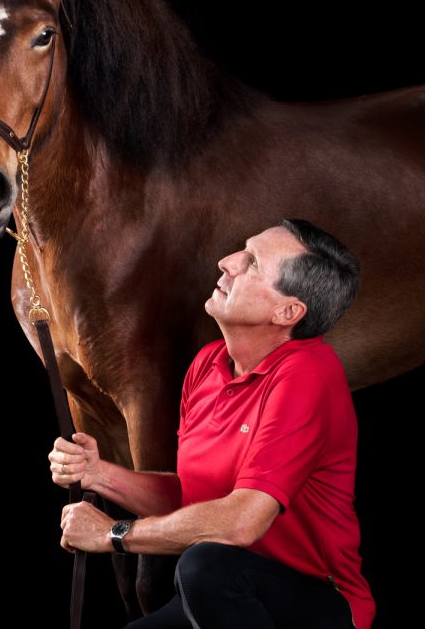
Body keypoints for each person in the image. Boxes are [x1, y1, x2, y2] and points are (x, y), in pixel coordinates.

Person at [50, 219, 375, 629]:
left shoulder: (309, 375)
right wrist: (101, 476)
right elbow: (196, 501)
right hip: (229, 593)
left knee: (203, 566)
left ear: (287, 312)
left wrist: (113, 534)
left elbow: (240, 523)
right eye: (243, 250)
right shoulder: (208, 364)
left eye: (252, 263)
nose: (227, 262)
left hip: (318, 602)